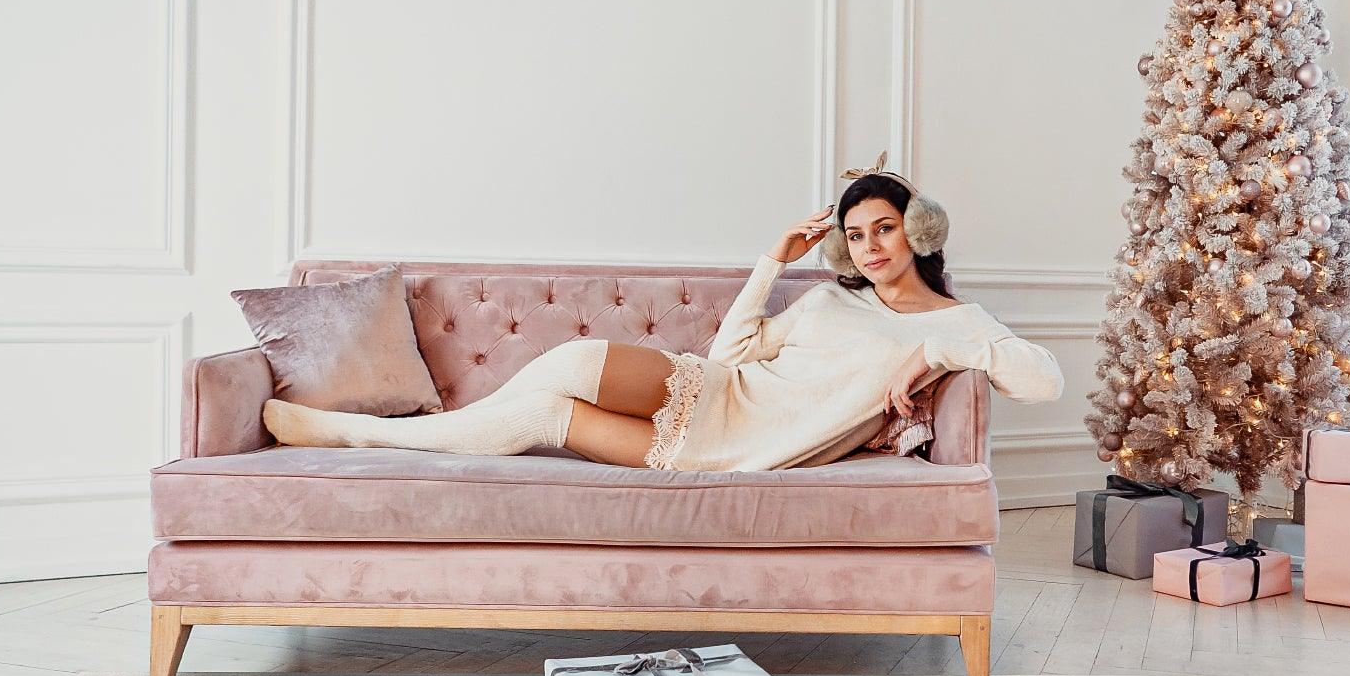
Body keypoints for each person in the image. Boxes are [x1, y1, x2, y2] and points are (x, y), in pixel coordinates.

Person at [262, 152, 1065, 471]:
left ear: (917, 230)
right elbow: (733, 350)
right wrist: (772, 263)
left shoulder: (960, 325)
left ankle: (371, 430)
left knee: (547, 413)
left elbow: (1045, 381)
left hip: (739, 451)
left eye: (884, 229)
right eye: (855, 236)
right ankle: (360, 431)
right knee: (566, 377)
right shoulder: (826, 300)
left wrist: (937, 355)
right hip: (722, 393)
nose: (871, 247)